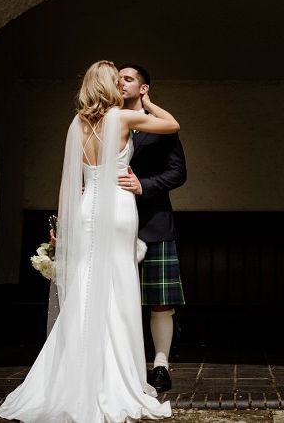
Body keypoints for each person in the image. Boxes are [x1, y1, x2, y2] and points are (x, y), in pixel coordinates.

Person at [0, 60, 177, 423]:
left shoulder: (76, 124)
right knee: (118, 288)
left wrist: (62, 226)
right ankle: (117, 377)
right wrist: (148, 99)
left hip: (85, 210)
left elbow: (68, 182)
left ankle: (71, 376)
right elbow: (172, 125)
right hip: (118, 209)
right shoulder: (123, 119)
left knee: (84, 288)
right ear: (110, 86)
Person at [117, 65, 186, 394]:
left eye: (128, 78)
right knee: (115, 297)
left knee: (159, 299)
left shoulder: (160, 125)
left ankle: (160, 364)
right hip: (113, 222)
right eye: (118, 78)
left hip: (153, 221)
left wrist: (142, 185)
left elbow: (178, 173)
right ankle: (121, 364)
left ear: (143, 88)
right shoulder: (108, 120)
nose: (121, 82)